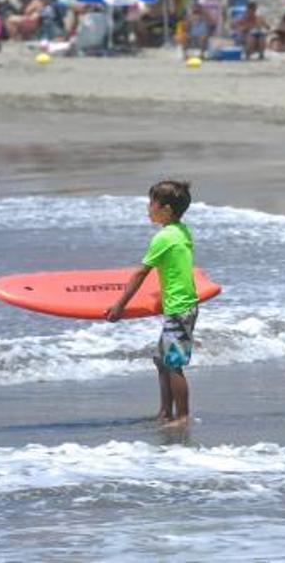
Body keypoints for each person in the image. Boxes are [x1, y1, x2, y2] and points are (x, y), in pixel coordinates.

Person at [106, 180, 199, 427]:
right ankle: (165, 412)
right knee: (162, 360)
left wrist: (120, 305)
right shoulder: (181, 230)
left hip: (180, 307)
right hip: (179, 304)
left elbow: (140, 274)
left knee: (174, 363)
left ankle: (182, 416)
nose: (148, 208)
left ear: (165, 209)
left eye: (151, 203)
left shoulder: (163, 237)